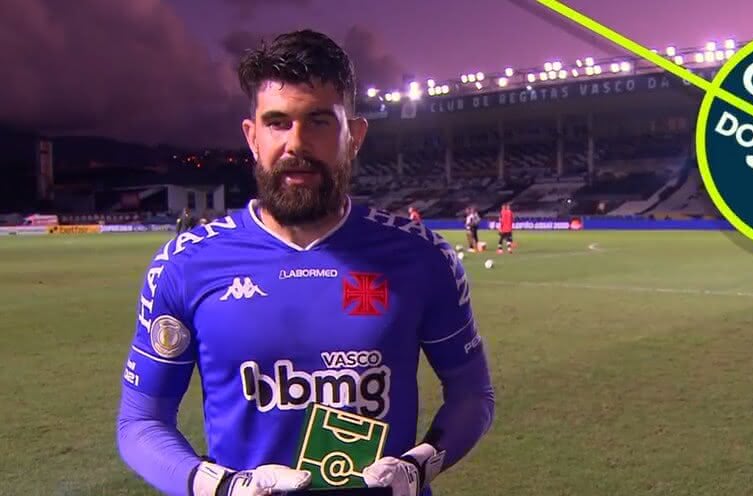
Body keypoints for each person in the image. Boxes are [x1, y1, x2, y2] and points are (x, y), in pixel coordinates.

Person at [116, 29, 495, 496]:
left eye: (318, 121)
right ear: (252, 137)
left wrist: (419, 465)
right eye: (277, 122)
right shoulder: (184, 265)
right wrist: (223, 487)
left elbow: (473, 393)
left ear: (354, 136)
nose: (296, 143)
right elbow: (140, 421)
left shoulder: (422, 257)